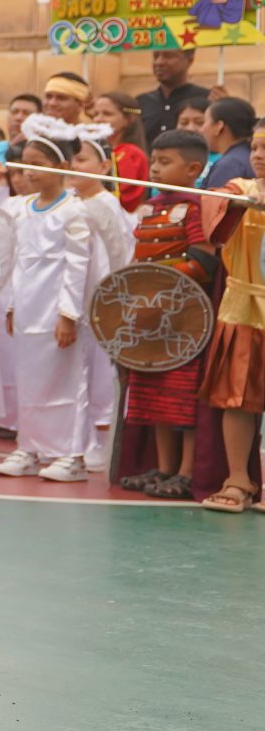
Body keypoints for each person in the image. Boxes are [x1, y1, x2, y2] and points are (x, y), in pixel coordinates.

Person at [117, 130, 215, 497]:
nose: (155, 169)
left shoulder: (195, 208)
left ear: (193, 169)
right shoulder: (150, 208)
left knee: (181, 396)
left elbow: (204, 260)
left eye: (165, 162)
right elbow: (138, 257)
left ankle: (187, 472)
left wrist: (160, 281)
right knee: (152, 393)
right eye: (154, 161)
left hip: (183, 317)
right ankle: (163, 468)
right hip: (149, 318)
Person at [0, 130, 94, 480]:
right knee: (28, 381)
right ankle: (30, 446)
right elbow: (16, 260)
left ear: (62, 167)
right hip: (27, 309)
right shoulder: (22, 210)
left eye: (37, 165)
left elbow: (77, 265)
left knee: (66, 380)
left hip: (56, 309)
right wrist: (11, 306)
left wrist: (68, 314)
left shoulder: (74, 211)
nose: (29, 172)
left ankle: (72, 454)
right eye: (25, 165)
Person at [196, 125, 265, 513]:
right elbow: (214, 208)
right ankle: (238, 479)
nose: (259, 155)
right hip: (242, 305)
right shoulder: (239, 188)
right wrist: (238, 205)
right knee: (236, 396)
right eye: (255, 147)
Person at [68, 131, 137, 447]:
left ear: (104, 166)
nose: (73, 165)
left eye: (81, 159)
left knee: (99, 372)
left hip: (102, 300)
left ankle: (101, 439)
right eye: (70, 159)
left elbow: (118, 254)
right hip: (77, 297)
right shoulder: (71, 203)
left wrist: (112, 300)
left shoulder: (106, 205)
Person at [90, 90, 150, 210]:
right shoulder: (98, 151)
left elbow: (123, 196)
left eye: (107, 114)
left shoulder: (131, 154)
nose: (98, 119)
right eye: (95, 114)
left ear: (128, 119)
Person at [138, 48, 206, 146]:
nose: (159, 62)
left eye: (168, 56)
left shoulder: (207, 98)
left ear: (190, 60)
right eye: (155, 56)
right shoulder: (140, 102)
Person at [202, 96, 256, 188]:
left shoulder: (229, 165)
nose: (202, 129)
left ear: (219, 126)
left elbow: (215, 197)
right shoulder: (247, 155)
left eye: (204, 122)